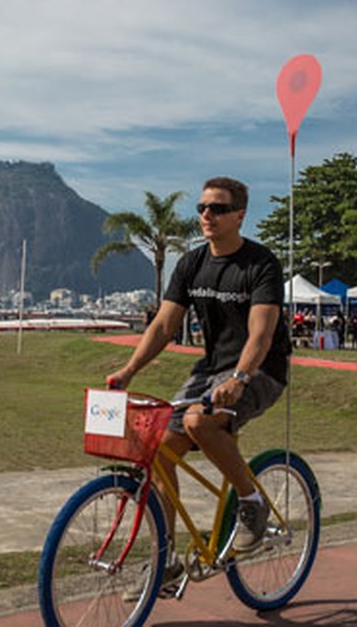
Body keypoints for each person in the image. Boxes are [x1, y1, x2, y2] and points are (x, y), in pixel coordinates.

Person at [107, 176, 290, 591]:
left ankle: (251, 501)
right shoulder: (191, 264)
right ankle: (166, 561)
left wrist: (241, 379)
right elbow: (164, 326)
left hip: (260, 370)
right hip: (211, 370)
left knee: (198, 423)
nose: (207, 215)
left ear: (240, 215)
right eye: (203, 208)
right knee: (158, 452)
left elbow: (261, 336)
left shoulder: (260, 264)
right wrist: (128, 370)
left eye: (218, 208)